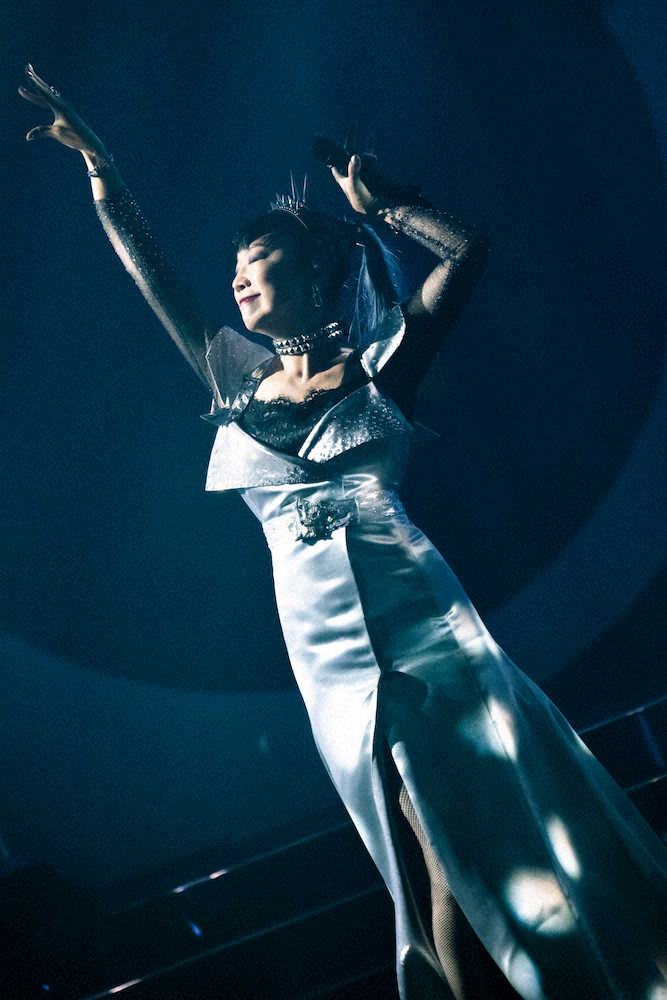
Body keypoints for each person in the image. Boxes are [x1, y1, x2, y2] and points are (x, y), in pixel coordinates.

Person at [19, 64, 667, 1000]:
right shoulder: (230, 375)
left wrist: (387, 208)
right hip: (320, 647)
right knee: (406, 844)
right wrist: (102, 171)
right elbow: (152, 272)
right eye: (235, 261)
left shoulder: (382, 363)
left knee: (448, 827)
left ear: (315, 269)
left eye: (259, 256)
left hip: (420, 623)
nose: (238, 273)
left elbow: (468, 252)